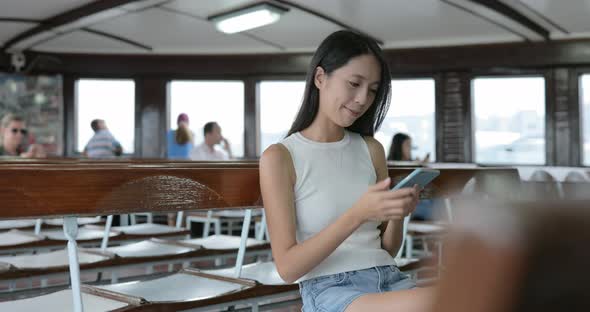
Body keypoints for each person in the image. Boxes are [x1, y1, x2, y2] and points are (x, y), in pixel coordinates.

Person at [260, 30, 432, 312]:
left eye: (373, 90)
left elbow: (385, 250)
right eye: (354, 83)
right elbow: (288, 268)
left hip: (388, 277)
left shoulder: (371, 149)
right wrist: (358, 213)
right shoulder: (281, 157)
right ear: (319, 78)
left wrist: (399, 215)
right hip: (331, 290)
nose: (363, 99)